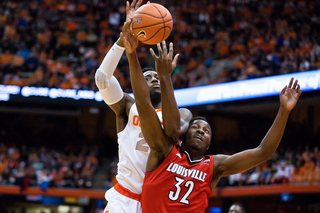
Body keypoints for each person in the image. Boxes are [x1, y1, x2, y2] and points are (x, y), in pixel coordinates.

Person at [121, 18, 302, 212]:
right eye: (196, 127)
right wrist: (132, 56)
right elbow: (144, 104)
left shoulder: (214, 166)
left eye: (206, 130)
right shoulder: (164, 151)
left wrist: (284, 111)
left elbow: (263, 153)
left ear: (209, 143)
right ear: (183, 135)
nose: (201, 131)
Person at [94, 1, 192, 212]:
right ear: (138, 82)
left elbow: (175, 129)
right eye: (147, 77)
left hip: (158, 201)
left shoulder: (181, 114)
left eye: (157, 76)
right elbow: (102, 79)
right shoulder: (127, 106)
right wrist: (122, 42)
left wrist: (166, 77)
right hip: (125, 198)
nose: (154, 79)